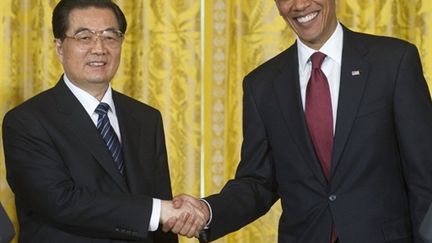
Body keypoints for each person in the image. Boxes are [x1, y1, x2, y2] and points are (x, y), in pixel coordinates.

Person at [165, 0, 432, 242]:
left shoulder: (393, 62)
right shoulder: (262, 85)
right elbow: (258, 183)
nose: (300, 4)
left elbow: (425, 175)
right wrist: (208, 210)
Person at [2, 0, 205, 242]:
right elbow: (61, 201)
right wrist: (159, 210)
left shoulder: (145, 118)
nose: (99, 48)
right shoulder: (27, 121)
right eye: (84, 37)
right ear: (59, 47)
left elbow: (162, 225)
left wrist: (169, 214)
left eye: (110, 37)